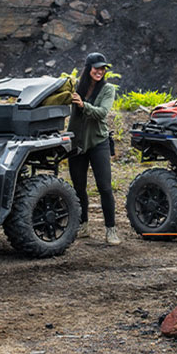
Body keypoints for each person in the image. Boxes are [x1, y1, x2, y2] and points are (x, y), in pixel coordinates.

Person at [68, 52, 120, 245]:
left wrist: (83, 105)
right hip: (77, 143)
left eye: (103, 68)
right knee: (79, 187)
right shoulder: (76, 88)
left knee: (105, 187)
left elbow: (102, 113)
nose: (100, 71)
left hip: (99, 142)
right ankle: (83, 225)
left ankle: (111, 230)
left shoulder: (107, 89)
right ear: (88, 68)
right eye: (96, 67)